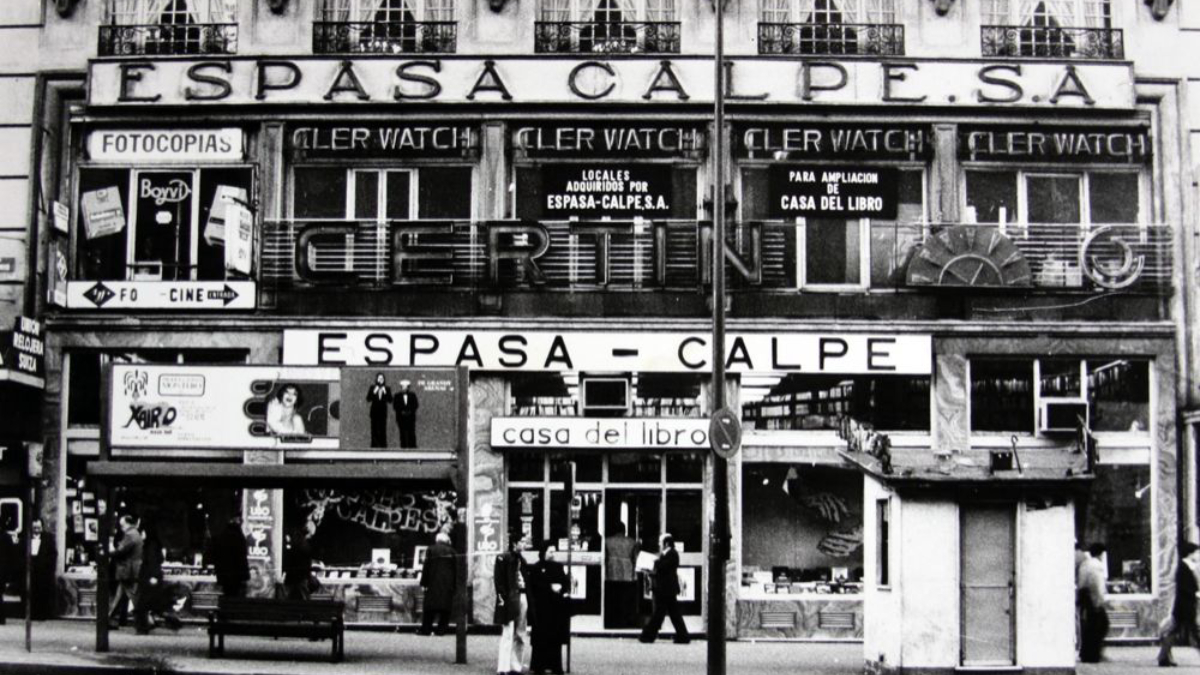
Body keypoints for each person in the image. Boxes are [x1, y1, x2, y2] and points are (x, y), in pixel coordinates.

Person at [527, 541, 569, 675]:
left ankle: (556, 666)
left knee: (555, 638)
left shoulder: (558, 567)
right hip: (541, 607)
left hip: (556, 607)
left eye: (554, 551)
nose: (553, 554)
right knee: (540, 638)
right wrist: (549, 588)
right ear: (544, 552)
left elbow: (566, 583)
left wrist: (561, 588)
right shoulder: (536, 568)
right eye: (550, 551)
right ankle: (538, 666)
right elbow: (533, 587)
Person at [639, 534, 689, 644]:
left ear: (666, 543)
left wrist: (653, 563)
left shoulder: (672, 554)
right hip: (665, 589)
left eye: (660, 542)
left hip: (666, 589)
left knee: (660, 613)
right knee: (672, 614)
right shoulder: (666, 554)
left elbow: (663, 567)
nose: (659, 544)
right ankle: (683, 636)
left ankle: (648, 635)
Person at [135, 521, 182, 634]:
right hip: (152, 576)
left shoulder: (150, 544)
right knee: (153, 603)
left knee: (145, 603)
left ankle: (143, 627)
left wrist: (153, 576)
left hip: (149, 576)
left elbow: (152, 561)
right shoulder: (155, 544)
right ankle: (169, 621)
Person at [1158, 542, 1200, 666]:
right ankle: (1163, 657)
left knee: (1174, 631)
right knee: (1194, 631)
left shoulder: (1188, 567)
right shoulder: (1184, 568)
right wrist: (1196, 594)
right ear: (1190, 554)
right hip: (1185, 605)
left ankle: (1163, 657)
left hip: (1183, 605)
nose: (1198, 555)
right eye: (1197, 553)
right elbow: (1185, 588)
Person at [495, 534, 530, 675]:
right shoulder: (504, 559)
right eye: (522, 541)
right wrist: (502, 600)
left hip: (521, 596)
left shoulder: (521, 560)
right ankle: (504, 666)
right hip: (511, 598)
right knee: (508, 633)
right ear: (515, 543)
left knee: (520, 632)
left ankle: (515, 665)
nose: (525, 544)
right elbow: (499, 582)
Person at [419, 531, 457, 636]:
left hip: (432, 582)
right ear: (447, 540)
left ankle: (426, 629)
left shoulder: (431, 549)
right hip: (448, 584)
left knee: (429, 608)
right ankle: (441, 630)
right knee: (445, 609)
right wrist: (455, 585)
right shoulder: (452, 551)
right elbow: (456, 569)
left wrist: (423, 583)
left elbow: (426, 567)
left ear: (437, 540)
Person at [109, 515, 144, 630]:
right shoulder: (136, 534)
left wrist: (111, 550)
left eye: (122, 525)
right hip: (133, 570)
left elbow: (120, 551)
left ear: (128, 524)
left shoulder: (130, 535)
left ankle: (146, 620)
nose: (121, 527)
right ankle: (108, 619)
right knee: (120, 595)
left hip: (127, 571)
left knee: (133, 596)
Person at [1078, 542, 1109, 663]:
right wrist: (1100, 600)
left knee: (1089, 627)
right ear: (1101, 553)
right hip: (1093, 598)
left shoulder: (1085, 564)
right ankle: (1093, 654)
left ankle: (1086, 653)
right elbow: (1098, 584)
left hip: (1085, 597)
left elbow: (1082, 583)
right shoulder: (1097, 566)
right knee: (1101, 626)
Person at [604, 522, 638, 628]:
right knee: (625, 599)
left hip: (612, 572)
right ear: (624, 530)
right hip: (627, 573)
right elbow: (635, 558)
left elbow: (604, 557)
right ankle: (625, 621)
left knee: (613, 599)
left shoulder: (607, 541)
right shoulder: (632, 542)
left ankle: (613, 620)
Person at [210, 517, 250, 598]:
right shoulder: (239, 537)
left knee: (227, 592)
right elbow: (243, 554)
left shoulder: (222, 536)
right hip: (237, 573)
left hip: (224, 572)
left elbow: (215, 553)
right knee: (235, 595)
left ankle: (226, 608)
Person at [29, 518, 57, 620]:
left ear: (42, 527)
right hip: (31, 569)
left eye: (38, 527)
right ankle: (32, 614)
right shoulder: (27, 537)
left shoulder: (48, 538)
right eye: (34, 527)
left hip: (43, 570)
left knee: (42, 592)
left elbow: (53, 554)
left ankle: (42, 614)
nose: (36, 530)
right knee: (32, 592)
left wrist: (50, 569)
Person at [283, 519, 317, 600]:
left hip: (290, 578)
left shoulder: (295, 541)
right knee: (304, 602)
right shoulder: (305, 546)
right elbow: (305, 565)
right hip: (300, 579)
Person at [366, 373, 392, 448]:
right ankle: (374, 445)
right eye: (379, 378)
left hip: (383, 413)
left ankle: (383, 445)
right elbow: (368, 399)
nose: (381, 380)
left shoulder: (387, 388)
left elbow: (390, 400)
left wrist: (385, 391)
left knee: (382, 429)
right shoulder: (372, 387)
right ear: (376, 379)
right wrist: (375, 391)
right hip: (374, 412)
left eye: (382, 379)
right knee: (374, 429)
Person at [393, 379, 419, 448]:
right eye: (403, 386)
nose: (404, 388)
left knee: (411, 432)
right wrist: (402, 412)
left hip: (410, 417)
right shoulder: (397, 396)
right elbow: (395, 406)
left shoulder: (412, 395)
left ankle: (412, 447)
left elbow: (415, 405)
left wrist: (409, 411)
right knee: (402, 432)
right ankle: (403, 447)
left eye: (406, 387)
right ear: (401, 387)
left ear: (408, 387)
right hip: (401, 418)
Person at [0, 514, 17, 625]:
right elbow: (11, 556)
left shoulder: (5, 537)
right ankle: (1, 617)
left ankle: (1, 617)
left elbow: (10, 556)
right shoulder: (6, 537)